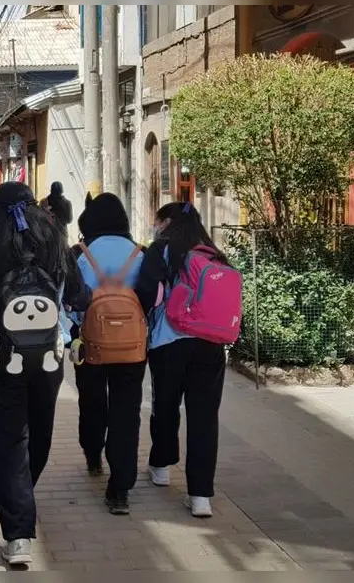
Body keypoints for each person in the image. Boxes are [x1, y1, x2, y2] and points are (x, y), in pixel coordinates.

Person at [0, 182, 89, 565]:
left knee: (7, 439)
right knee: (39, 430)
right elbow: (80, 297)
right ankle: (22, 495)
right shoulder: (56, 243)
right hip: (48, 354)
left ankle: (17, 534)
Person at [135, 202, 230, 519]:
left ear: (166, 222)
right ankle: (201, 495)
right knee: (205, 418)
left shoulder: (162, 250)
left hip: (169, 341)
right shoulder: (213, 252)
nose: (155, 225)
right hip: (211, 344)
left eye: (157, 220)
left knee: (165, 404)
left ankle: (161, 467)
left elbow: (145, 292)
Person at [69, 193, 146, 515]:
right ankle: (120, 489)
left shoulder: (81, 254)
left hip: (91, 343)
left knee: (91, 401)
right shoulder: (141, 253)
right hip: (132, 347)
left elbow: (70, 298)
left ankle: (92, 451)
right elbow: (153, 297)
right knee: (127, 412)